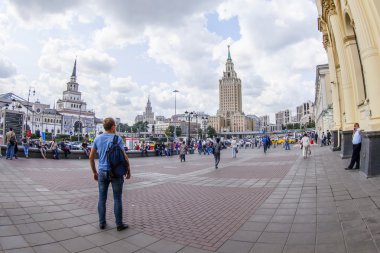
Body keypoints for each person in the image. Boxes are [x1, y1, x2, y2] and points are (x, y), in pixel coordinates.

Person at [89, 117, 131, 231]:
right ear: (112, 127)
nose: (115, 127)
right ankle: (119, 224)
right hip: (116, 173)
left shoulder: (97, 139)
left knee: (102, 198)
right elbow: (124, 156)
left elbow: (91, 157)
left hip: (102, 172)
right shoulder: (118, 139)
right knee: (117, 198)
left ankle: (102, 223)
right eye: (115, 126)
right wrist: (128, 170)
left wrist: (94, 172)